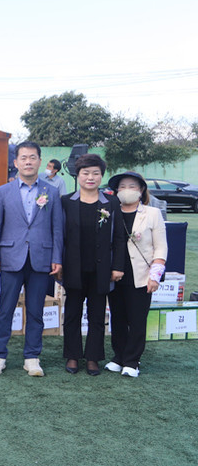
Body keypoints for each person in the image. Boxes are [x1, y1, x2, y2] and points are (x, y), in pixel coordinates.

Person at [0, 141, 63, 377]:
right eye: (23, 158)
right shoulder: (3, 191)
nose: (28, 162)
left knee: (35, 311)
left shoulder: (51, 192)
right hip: (11, 257)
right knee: (5, 309)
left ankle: (32, 357)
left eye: (32, 157)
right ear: (16, 162)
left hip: (41, 258)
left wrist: (57, 257)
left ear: (40, 161)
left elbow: (57, 228)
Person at [59, 154, 124, 376]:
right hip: (73, 267)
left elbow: (119, 238)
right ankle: (72, 355)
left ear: (101, 176)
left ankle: (93, 358)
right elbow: (60, 235)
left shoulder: (111, 203)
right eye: (85, 173)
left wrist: (117, 266)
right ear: (77, 175)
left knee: (97, 315)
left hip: (101, 269)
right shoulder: (66, 201)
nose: (90, 177)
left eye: (95, 173)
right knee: (72, 314)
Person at [106, 171, 167, 378]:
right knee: (118, 318)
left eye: (132, 186)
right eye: (122, 186)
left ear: (141, 190)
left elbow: (161, 247)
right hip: (114, 273)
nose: (127, 190)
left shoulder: (152, 213)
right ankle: (119, 357)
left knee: (137, 319)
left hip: (141, 275)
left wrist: (155, 276)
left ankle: (132, 361)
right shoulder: (110, 211)